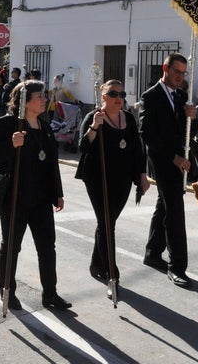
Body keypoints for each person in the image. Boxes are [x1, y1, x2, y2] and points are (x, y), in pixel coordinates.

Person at [0, 80, 72, 311]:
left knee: (47, 247)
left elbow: (51, 162)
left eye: (44, 95)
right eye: (40, 96)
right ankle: (8, 291)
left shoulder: (44, 126)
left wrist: (58, 194)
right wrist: (11, 144)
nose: (44, 99)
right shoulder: (8, 123)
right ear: (24, 100)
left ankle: (50, 294)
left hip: (41, 199)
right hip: (16, 197)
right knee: (12, 246)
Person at [76, 80, 150, 296]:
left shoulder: (128, 118)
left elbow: (137, 149)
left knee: (107, 222)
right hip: (98, 179)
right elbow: (83, 147)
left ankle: (96, 264)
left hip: (123, 179)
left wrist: (142, 176)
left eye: (122, 93)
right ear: (103, 97)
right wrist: (94, 127)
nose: (119, 97)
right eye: (113, 93)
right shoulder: (94, 117)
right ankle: (112, 274)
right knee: (107, 224)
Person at [139, 53, 197, 287]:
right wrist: (173, 157)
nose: (180, 77)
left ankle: (153, 252)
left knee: (164, 205)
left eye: (183, 73)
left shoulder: (183, 96)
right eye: (176, 72)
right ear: (165, 68)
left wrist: (190, 118)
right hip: (162, 160)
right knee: (175, 210)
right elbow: (147, 133)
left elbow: (185, 133)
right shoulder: (150, 96)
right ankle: (178, 267)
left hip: (179, 159)